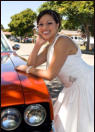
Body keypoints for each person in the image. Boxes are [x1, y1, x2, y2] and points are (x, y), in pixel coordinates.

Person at [15, 9, 94, 132]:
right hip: (71, 87)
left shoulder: (62, 41)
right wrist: (37, 45)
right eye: (40, 24)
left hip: (85, 84)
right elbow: (32, 64)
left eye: (49, 23)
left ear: (57, 25)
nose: (44, 27)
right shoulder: (49, 46)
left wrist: (28, 69)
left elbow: (49, 74)